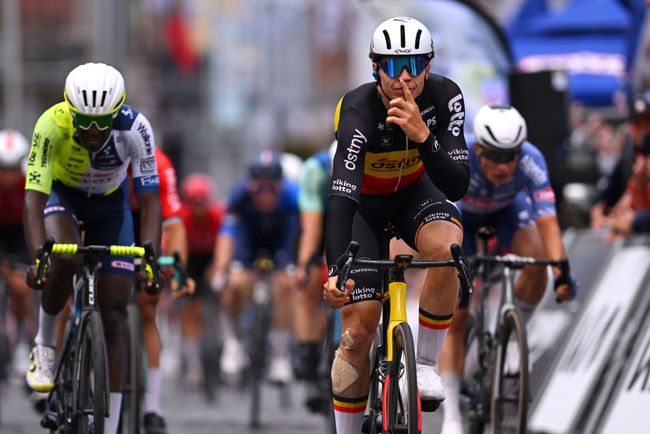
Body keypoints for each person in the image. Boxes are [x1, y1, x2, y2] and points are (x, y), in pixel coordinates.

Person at [322, 16, 471, 434]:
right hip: (363, 210)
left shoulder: (446, 97)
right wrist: (337, 270)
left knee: (447, 250)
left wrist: (424, 137)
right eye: (391, 65)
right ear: (374, 68)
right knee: (358, 329)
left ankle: (424, 363)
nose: (402, 76)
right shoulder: (357, 110)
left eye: (412, 64)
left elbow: (457, 185)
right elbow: (341, 197)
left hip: (413, 196)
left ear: (428, 65)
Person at [23, 62, 162, 434]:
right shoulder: (50, 124)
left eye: (102, 123)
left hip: (109, 206)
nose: (92, 131)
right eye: (83, 122)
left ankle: (111, 422)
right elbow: (34, 199)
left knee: (115, 310)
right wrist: (39, 255)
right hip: (62, 196)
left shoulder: (136, 128)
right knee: (65, 257)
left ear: (117, 113)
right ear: (71, 110)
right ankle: (44, 346)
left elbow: (150, 203)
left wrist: (150, 259)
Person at [437, 104, 575, 434]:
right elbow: (443, 222)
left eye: (511, 156)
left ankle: (515, 334)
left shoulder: (531, 160)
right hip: (462, 220)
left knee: (536, 258)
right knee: (456, 317)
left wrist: (561, 272)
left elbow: (549, 223)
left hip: (506, 213)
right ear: (479, 148)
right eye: (497, 157)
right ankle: (452, 413)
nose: (506, 165)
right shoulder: (460, 155)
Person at [210, 149, 299, 385]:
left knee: (285, 285)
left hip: (281, 238)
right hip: (248, 239)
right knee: (234, 283)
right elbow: (226, 235)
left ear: (281, 185)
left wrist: (296, 268)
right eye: (260, 189)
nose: (266, 196)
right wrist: (221, 270)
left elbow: (304, 234)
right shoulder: (239, 195)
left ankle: (280, 356)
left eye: (272, 189)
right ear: (251, 186)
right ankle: (233, 343)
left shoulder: (292, 197)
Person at [130, 146, 192, 434]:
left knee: (148, 306)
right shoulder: (100, 155)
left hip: (146, 220)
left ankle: (152, 406)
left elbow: (174, 225)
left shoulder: (160, 164)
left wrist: (178, 272)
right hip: (107, 214)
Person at [294, 142, 335, 411]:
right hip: (322, 219)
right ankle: (309, 353)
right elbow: (311, 228)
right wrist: (305, 265)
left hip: (360, 216)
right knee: (309, 279)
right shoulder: (314, 170)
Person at [179, 172, 224, 388]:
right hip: (190, 262)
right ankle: (194, 365)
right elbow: (176, 249)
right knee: (189, 311)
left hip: (210, 259)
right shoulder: (183, 218)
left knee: (221, 296)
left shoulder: (217, 216)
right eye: (193, 203)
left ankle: (223, 344)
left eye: (202, 203)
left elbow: (225, 245)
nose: (198, 208)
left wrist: (217, 270)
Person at [590, 90, 650, 230]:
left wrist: (633, 222)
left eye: (647, 122)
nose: (643, 130)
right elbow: (610, 189)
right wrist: (599, 207)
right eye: (637, 124)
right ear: (630, 127)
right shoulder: (629, 154)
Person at [0, 129, 34, 364]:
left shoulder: (30, 183)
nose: (7, 177)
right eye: (3, 169)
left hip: (21, 232)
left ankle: (21, 338)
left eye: (13, 170)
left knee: (21, 289)